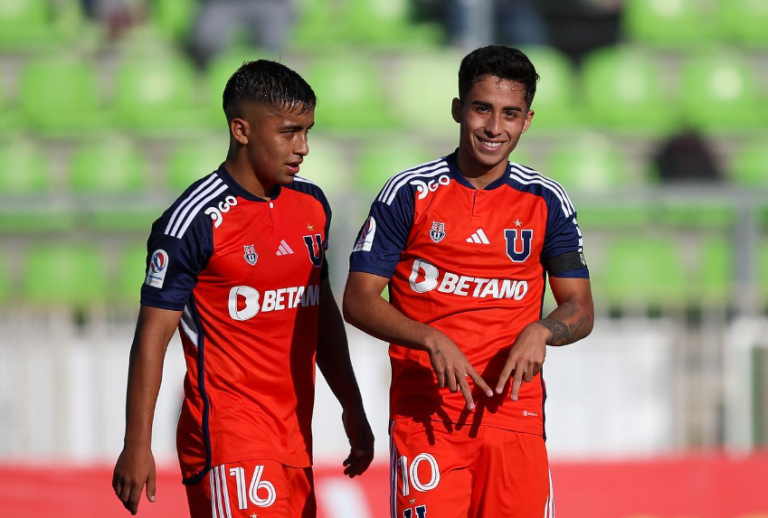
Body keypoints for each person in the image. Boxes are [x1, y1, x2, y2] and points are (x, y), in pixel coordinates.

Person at [112, 60, 374, 518]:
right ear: (242, 130)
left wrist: (352, 406)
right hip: (228, 438)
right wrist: (137, 444)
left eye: (308, 131)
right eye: (289, 132)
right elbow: (152, 336)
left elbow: (321, 313)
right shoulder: (193, 220)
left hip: (295, 437)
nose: (304, 147)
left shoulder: (311, 203)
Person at [343, 45, 593, 518]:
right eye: (482, 109)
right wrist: (428, 337)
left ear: (528, 120)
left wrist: (542, 330)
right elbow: (357, 299)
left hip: (514, 415)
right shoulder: (410, 193)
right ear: (459, 109)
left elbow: (580, 308)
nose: (495, 127)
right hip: (428, 417)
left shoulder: (546, 200)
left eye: (510, 114)